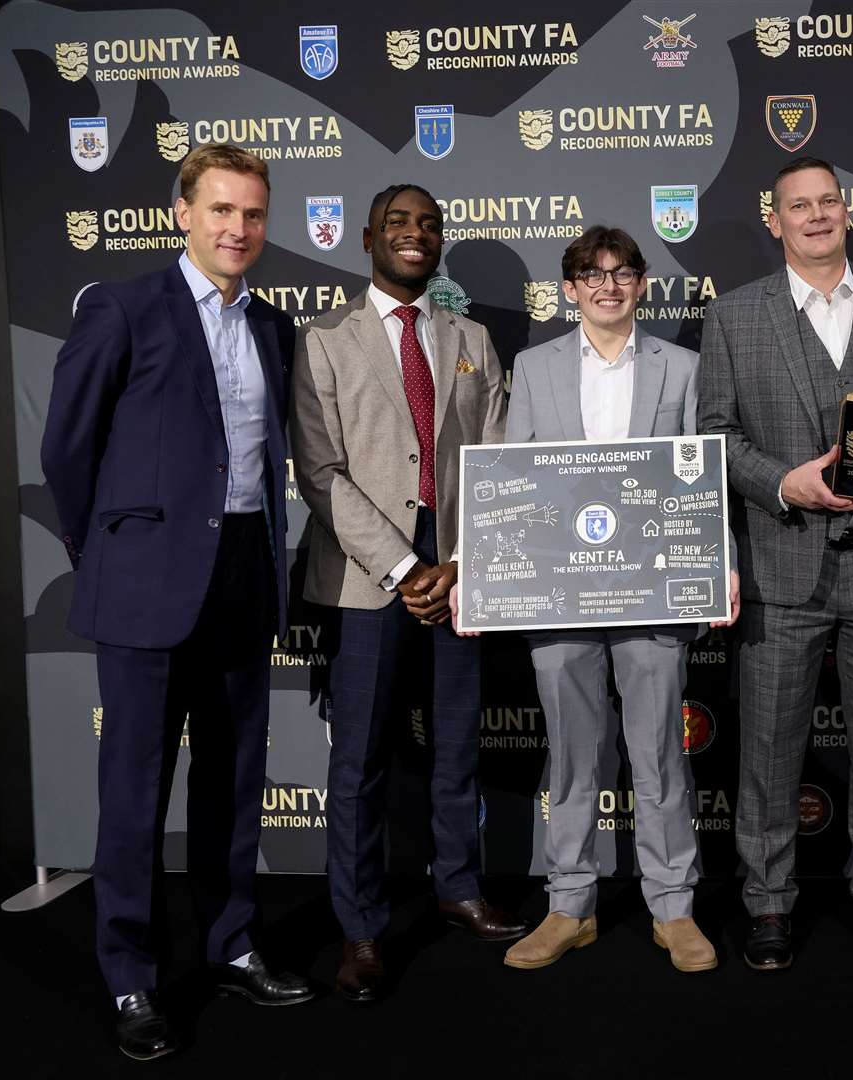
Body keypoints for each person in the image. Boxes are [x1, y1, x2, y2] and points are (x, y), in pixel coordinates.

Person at [41, 143, 313, 1061]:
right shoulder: (123, 309)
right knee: (134, 788)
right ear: (181, 214)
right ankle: (130, 977)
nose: (238, 229)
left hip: (242, 573)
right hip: (144, 581)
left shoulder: (274, 327)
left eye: (253, 214)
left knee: (234, 783)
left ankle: (233, 941)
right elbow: (65, 451)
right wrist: (107, 551)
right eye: (222, 211)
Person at [697, 157, 853, 970]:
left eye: (827, 203)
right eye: (796, 207)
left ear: (846, 211)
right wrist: (784, 482)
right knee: (767, 746)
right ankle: (767, 903)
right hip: (783, 566)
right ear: (774, 222)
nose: (814, 216)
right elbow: (713, 439)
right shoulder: (734, 317)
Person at [290, 184, 523, 1004]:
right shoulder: (322, 339)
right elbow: (320, 471)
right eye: (399, 223)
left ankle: (459, 888)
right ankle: (360, 929)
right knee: (358, 761)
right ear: (367, 239)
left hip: (460, 570)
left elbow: (498, 460)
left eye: (428, 223)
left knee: (458, 743)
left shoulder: (471, 339)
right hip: (366, 576)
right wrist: (403, 567)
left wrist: (455, 561)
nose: (415, 234)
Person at [500, 225, 738, 973]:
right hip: (561, 600)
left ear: (641, 283)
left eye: (622, 272)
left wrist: (721, 565)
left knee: (659, 755)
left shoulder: (683, 368)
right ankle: (568, 904)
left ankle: (673, 908)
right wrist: (498, 581)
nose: (607, 285)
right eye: (590, 274)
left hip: (654, 590)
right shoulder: (533, 367)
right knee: (572, 758)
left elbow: (704, 482)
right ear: (569, 289)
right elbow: (510, 485)